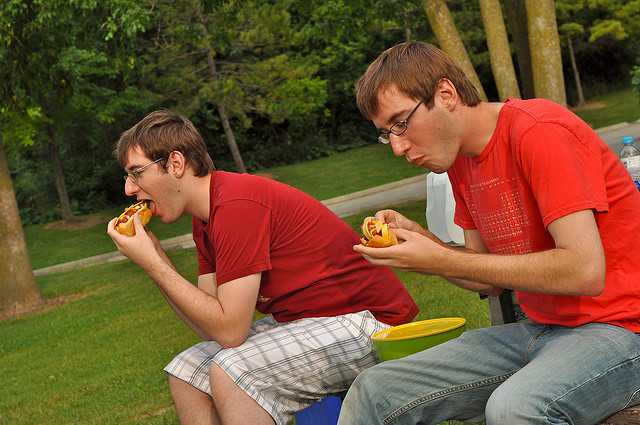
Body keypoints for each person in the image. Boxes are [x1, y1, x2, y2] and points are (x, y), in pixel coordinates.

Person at [337, 41, 640, 425]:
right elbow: (487, 278)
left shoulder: (539, 131)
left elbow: (585, 271)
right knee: (375, 390)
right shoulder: (459, 159)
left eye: (401, 123)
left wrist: (437, 259)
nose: (397, 147)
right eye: (386, 133)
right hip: (541, 330)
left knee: (514, 408)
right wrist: (424, 243)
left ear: (445, 94)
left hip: (623, 329)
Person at [106, 110, 418, 425]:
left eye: (136, 173)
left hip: (374, 324)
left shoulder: (236, 206)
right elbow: (210, 326)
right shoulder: (205, 219)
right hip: (315, 322)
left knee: (233, 371)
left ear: (175, 163)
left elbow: (230, 331)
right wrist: (156, 258)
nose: (129, 189)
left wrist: (153, 265)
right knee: (186, 372)